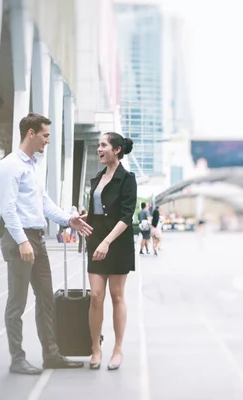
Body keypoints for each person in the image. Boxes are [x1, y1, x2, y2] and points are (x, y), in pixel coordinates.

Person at [0, 112, 93, 375]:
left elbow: (44, 203)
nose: (48, 140)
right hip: (21, 241)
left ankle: (51, 354)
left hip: (37, 240)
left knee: (47, 300)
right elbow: (8, 209)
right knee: (17, 303)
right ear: (31, 133)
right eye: (45, 135)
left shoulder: (33, 166)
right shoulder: (9, 166)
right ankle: (18, 359)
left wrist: (68, 219)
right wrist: (22, 241)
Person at [85, 131, 137, 370]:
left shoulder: (127, 179)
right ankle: (95, 348)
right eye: (98, 145)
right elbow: (97, 213)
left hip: (117, 243)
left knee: (117, 296)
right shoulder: (97, 177)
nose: (99, 149)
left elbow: (126, 216)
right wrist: (80, 219)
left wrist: (107, 241)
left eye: (103, 145)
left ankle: (117, 350)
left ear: (117, 150)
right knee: (96, 297)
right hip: (96, 240)